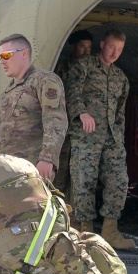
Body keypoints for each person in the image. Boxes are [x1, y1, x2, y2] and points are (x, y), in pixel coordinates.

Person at [66, 29, 134, 248]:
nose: (115, 53)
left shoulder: (120, 78)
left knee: (119, 181)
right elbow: (70, 92)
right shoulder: (83, 67)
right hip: (86, 137)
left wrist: (119, 135)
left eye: (120, 50)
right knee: (83, 180)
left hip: (111, 139)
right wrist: (81, 112)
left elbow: (120, 111)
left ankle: (110, 230)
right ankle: (85, 230)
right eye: (112, 47)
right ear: (103, 44)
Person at [0, 33, 67, 183]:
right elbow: (0, 133)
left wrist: (47, 158)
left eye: (6, 55)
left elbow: (56, 120)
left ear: (24, 53)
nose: (2, 61)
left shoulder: (44, 80)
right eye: (0, 57)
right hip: (7, 171)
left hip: (32, 169)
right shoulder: (7, 92)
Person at [53, 29, 93, 198]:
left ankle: (76, 216)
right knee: (60, 172)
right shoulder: (60, 68)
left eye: (89, 47)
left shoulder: (94, 70)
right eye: (82, 47)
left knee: (81, 175)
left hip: (83, 130)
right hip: (62, 128)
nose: (86, 51)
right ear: (73, 47)